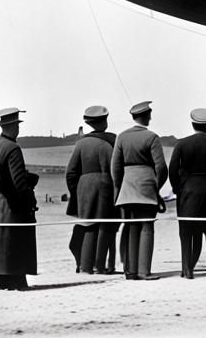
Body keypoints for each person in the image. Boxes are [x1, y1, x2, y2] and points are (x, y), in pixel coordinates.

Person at [0, 107, 38, 290]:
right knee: (16, 242)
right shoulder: (13, 149)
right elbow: (19, 183)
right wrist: (30, 202)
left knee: (0, 243)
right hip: (12, 204)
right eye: (17, 125)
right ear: (15, 127)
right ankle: (17, 281)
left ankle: (2, 280)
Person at [112, 101, 167, 281]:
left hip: (127, 189)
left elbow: (115, 168)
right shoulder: (152, 137)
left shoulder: (121, 137)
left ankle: (131, 271)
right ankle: (144, 271)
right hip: (146, 187)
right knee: (147, 227)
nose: (150, 117)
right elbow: (161, 168)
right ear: (145, 116)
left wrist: (120, 187)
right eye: (149, 114)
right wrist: (156, 187)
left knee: (132, 226)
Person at [168, 107, 206, 279]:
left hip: (187, 191)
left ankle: (186, 268)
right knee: (199, 230)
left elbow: (172, 170)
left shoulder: (182, 144)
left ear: (192, 124)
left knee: (185, 230)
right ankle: (191, 266)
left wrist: (178, 188)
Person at [65, 106, 117, 276]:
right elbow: (117, 169)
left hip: (85, 187)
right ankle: (101, 266)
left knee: (88, 226)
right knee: (106, 227)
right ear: (104, 121)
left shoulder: (81, 143)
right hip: (106, 185)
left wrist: (77, 192)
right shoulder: (113, 140)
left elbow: (71, 172)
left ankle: (85, 266)